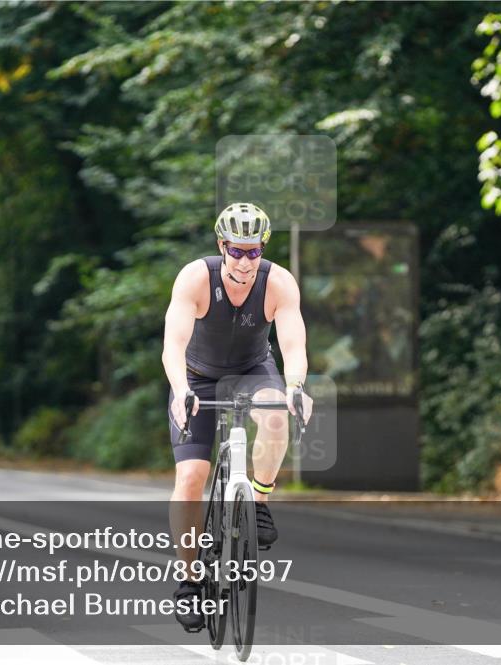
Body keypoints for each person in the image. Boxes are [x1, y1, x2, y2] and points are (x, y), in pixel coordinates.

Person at [163, 202, 313, 631]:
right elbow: (173, 344)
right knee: (191, 477)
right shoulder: (196, 277)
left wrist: (296, 388)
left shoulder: (278, 283)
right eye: (236, 250)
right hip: (197, 378)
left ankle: (259, 502)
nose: (245, 260)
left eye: (254, 251)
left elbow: (293, 346)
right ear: (221, 245)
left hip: (253, 371)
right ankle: (190, 582)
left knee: (276, 414)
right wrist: (180, 391)